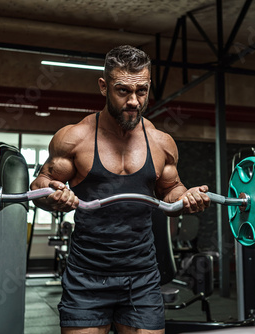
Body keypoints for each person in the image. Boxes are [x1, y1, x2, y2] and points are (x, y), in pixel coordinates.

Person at [30, 45, 210, 334]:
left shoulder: (161, 142)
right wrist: (51, 193)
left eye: (142, 91)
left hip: (141, 277)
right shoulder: (75, 138)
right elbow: (39, 184)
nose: (134, 101)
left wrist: (186, 197)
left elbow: (171, 189)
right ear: (103, 86)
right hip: (86, 275)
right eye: (123, 90)